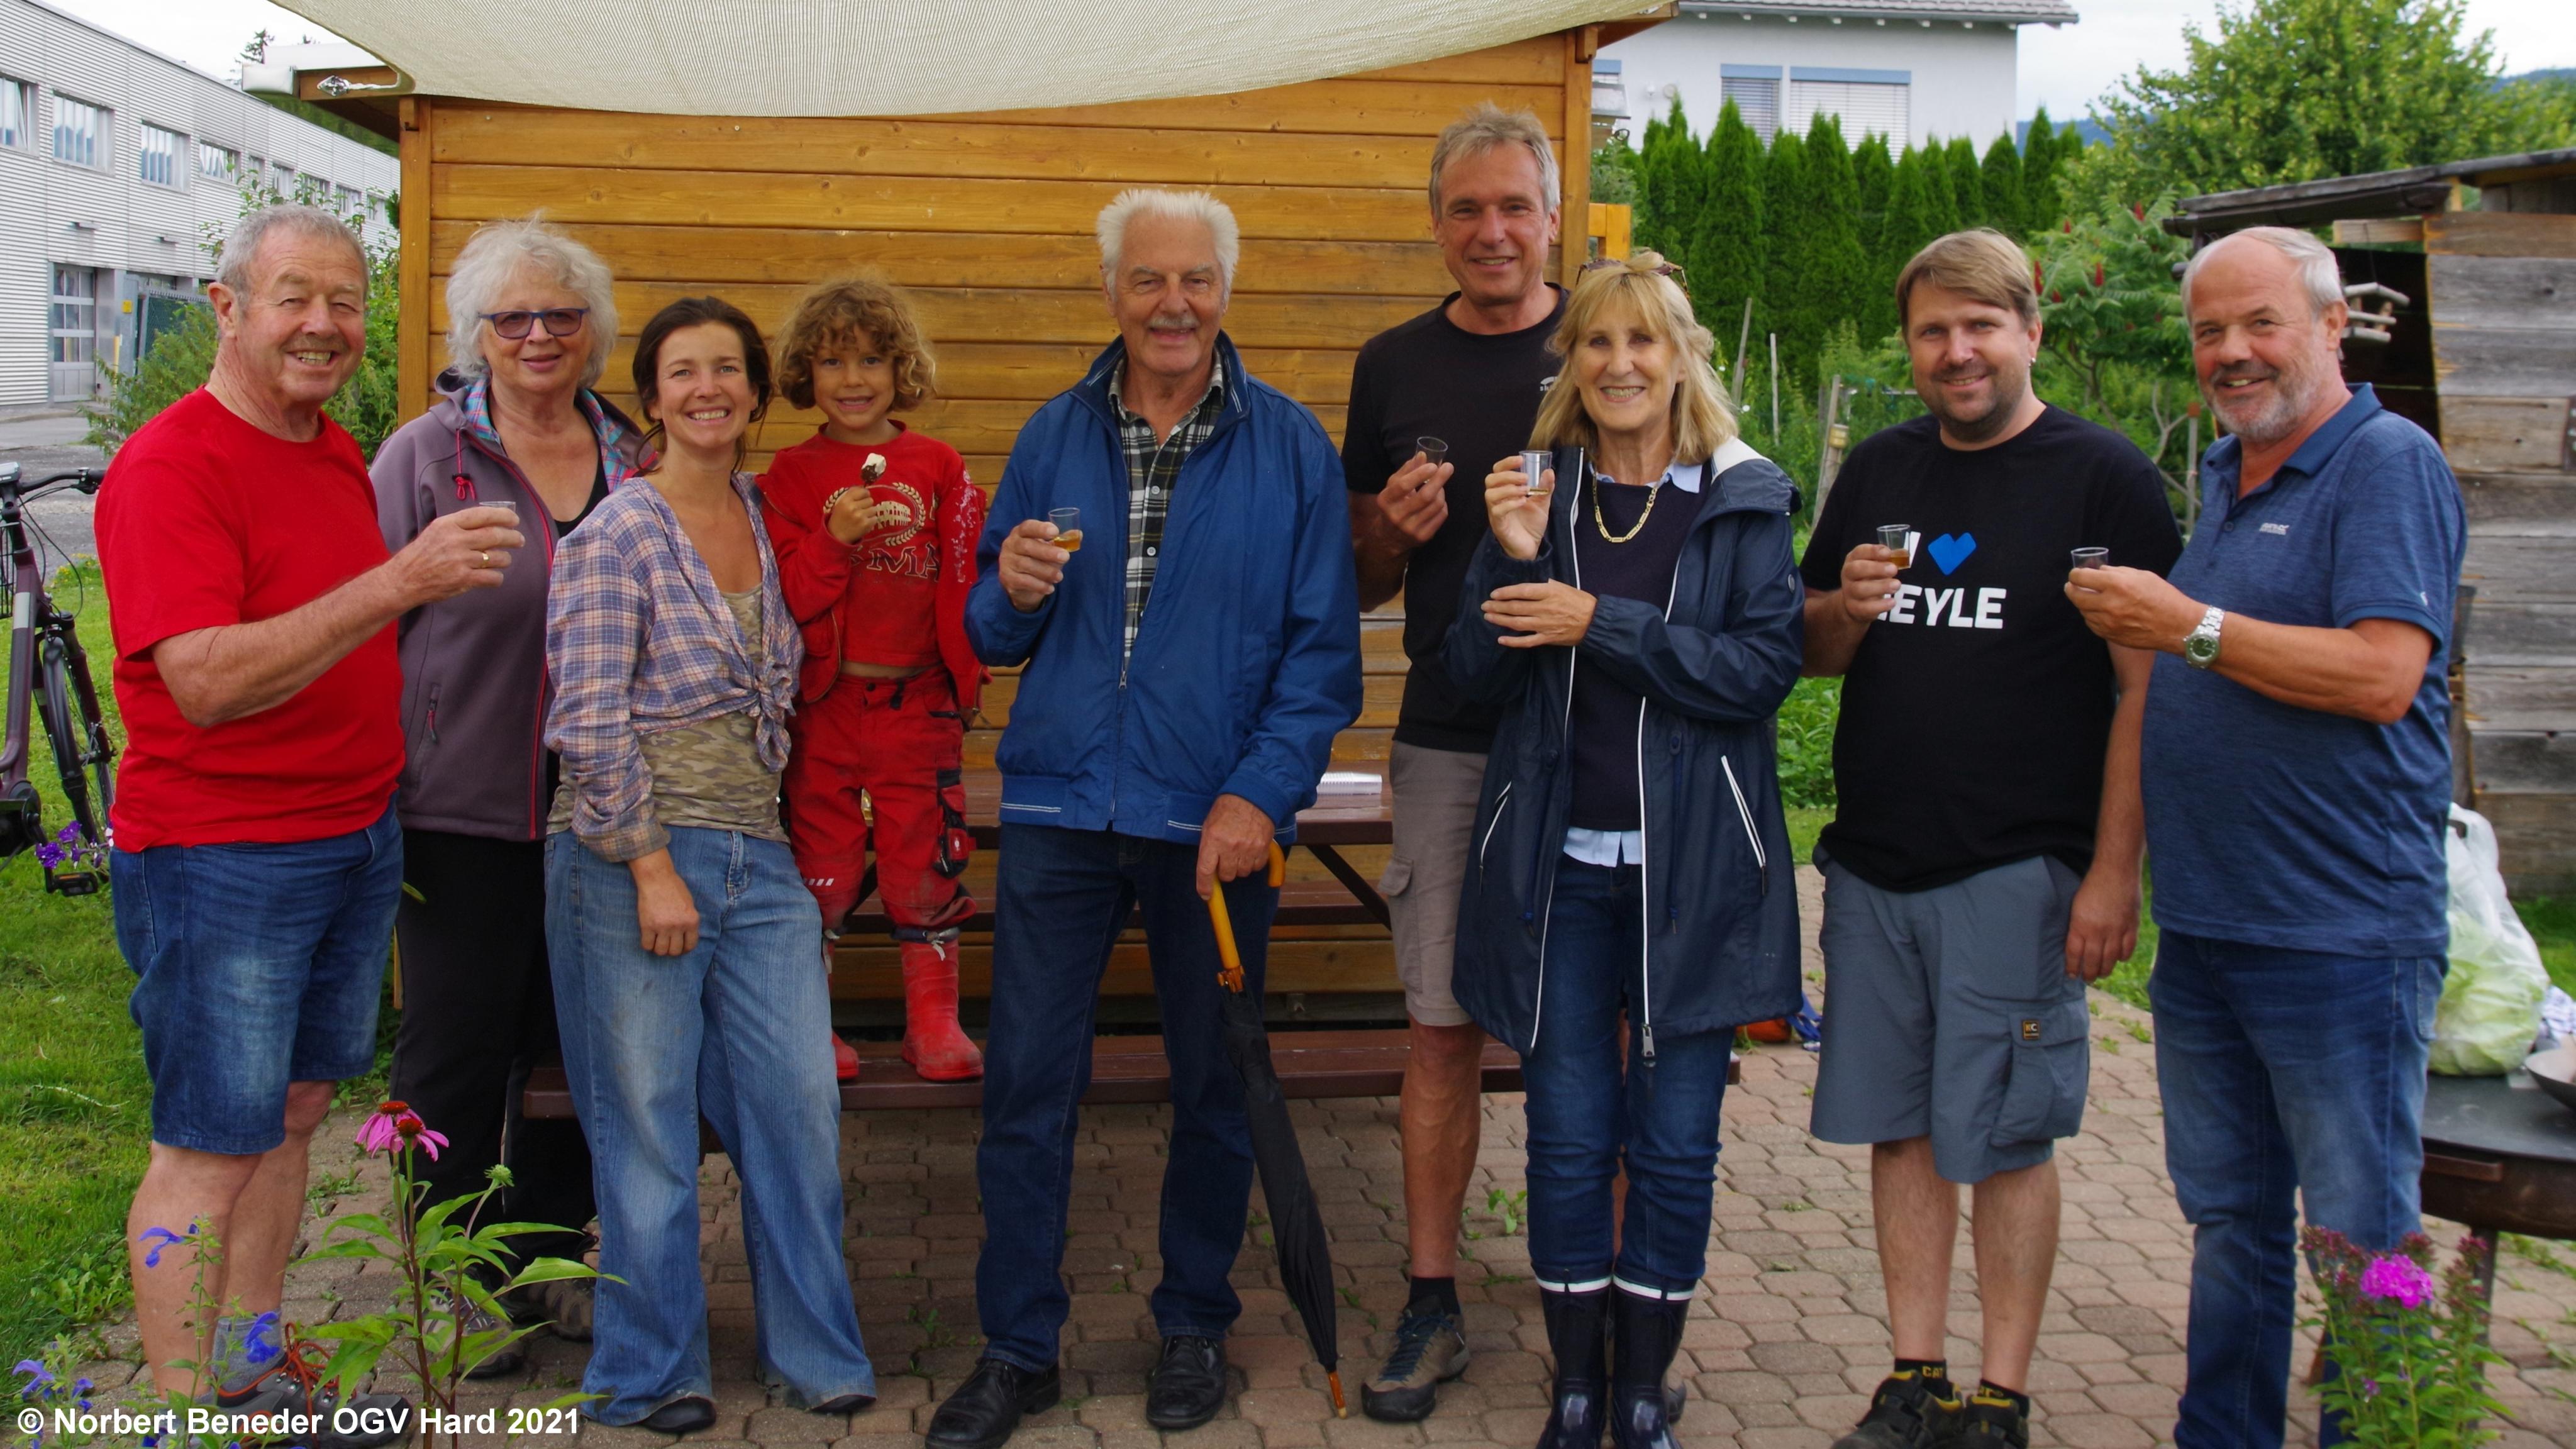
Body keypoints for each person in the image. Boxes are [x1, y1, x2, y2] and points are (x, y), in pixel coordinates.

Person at [927, 189, 1362, 1449]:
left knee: (1214, 1083)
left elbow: (1320, 660)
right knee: (1027, 1084)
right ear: (1110, 290)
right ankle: (1018, 1348)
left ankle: (1192, 1325)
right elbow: (988, 631)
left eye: (1195, 280)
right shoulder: (1052, 432)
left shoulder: (1290, 448)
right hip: (1059, 809)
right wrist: (1007, 593)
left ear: (1225, 290)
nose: (1173, 304)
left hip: (1212, 823)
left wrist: (1257, 794)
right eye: (1147, 280)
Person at [96, 204, 516, 1437]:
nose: (323, 325)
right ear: (228, 308)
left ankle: (253, 1372)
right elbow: (205, 680)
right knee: (207, 1144)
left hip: (349, 837)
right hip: (222, 856)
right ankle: (181, 1415)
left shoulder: (328, 448)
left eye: (344, 301)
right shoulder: (172, 466)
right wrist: (397, 582)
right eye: (294, 299)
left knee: (289, 1119)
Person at [2067, 225, 2465, 1449]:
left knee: (2364, 1234)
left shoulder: (2386, 463)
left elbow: (2382, 677)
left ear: (2332, 327)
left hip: (2340, 936)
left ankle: (2388, 1430)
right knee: (2229, 1221)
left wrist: (2186, 624)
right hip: (2209, 929)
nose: (2230, 353)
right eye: (2208, 332)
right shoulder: (2227, 473)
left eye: (2259, 325)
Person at [1799, 228, 2180, 1449]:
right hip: (1874, 862)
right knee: (1899, 1126)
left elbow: (2146, 690)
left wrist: (2112, 872)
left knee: (2009, 1135)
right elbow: (1812, 643)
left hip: (2019, 868)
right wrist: (1844, 609)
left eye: (1979, 326)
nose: (1955, 351)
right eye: (1932, 331)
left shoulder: (2104, 479)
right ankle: (1914, 1378)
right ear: (1909, 347)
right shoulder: (1880, 469)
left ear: (2030, 331)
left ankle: (2001, 1397)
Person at [1445, 252, 1803, 1449]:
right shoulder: (1539, 491)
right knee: (1565, 1139)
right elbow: (1471, 673)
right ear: (1572, 364)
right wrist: (1509, 552)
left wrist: (1603, 623)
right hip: (1558, 874)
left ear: (1684, 355)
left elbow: (1760, 673)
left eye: (1644, 340)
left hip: (1692, 876)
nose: (1621, 364)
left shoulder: (1743, 496)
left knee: (1677, 1141)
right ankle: (1576, 1387)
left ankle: (1643, 1389)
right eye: (1597, 342)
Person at [543, 297, 875, 1433]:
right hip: (631, 853)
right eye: (682, 372)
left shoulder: (763, 516)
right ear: (652, 399)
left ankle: (816, 1352)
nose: (707, 389)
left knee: (797, 1107)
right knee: (646, 1121)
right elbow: (589, 721)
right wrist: (648, 866)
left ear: (754, 392)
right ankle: (649, 1370)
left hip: (758, 851)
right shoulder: (617, 533)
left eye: (727, 369)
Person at [370, 217, 645, 1368]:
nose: (539, 335)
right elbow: (367, 618)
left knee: (577, 1046)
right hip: (460, 807)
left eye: (562, 315)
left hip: (608, 806)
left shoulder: (634, 455)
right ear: (476, 333)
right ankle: (450, 1281)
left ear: (593, 330)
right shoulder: (422, 458)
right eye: (513, 317)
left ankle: (545, 1264)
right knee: (454, 1051)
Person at [1340, 104, 1566, 1421]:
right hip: (1445, 734)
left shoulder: (1606, 344)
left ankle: (1590, 1297)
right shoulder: (1391, 365)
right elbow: (1365, 577)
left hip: (1589, 730)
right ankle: (1432, 1298)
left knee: (1590, 1027)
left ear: (1551, 217)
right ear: (1436, 225)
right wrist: (1390, 531)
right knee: (1439, 1030)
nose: (1491, 231)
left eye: (1513, 207)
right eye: (1466, 209)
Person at [759, 274, 987, 1084]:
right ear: (805, 374)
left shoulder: (940, 465)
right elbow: (789, 596)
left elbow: (966, 580)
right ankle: (809, 1028)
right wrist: (834, 540)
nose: (852, 379)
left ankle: (934, 1024)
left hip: (917, 707)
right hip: (824, 708)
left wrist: (967, 681)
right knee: (819, 864)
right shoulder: (789, 475)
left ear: (901, 369)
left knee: (925, 858)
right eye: (831, 362)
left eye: (870, 360)